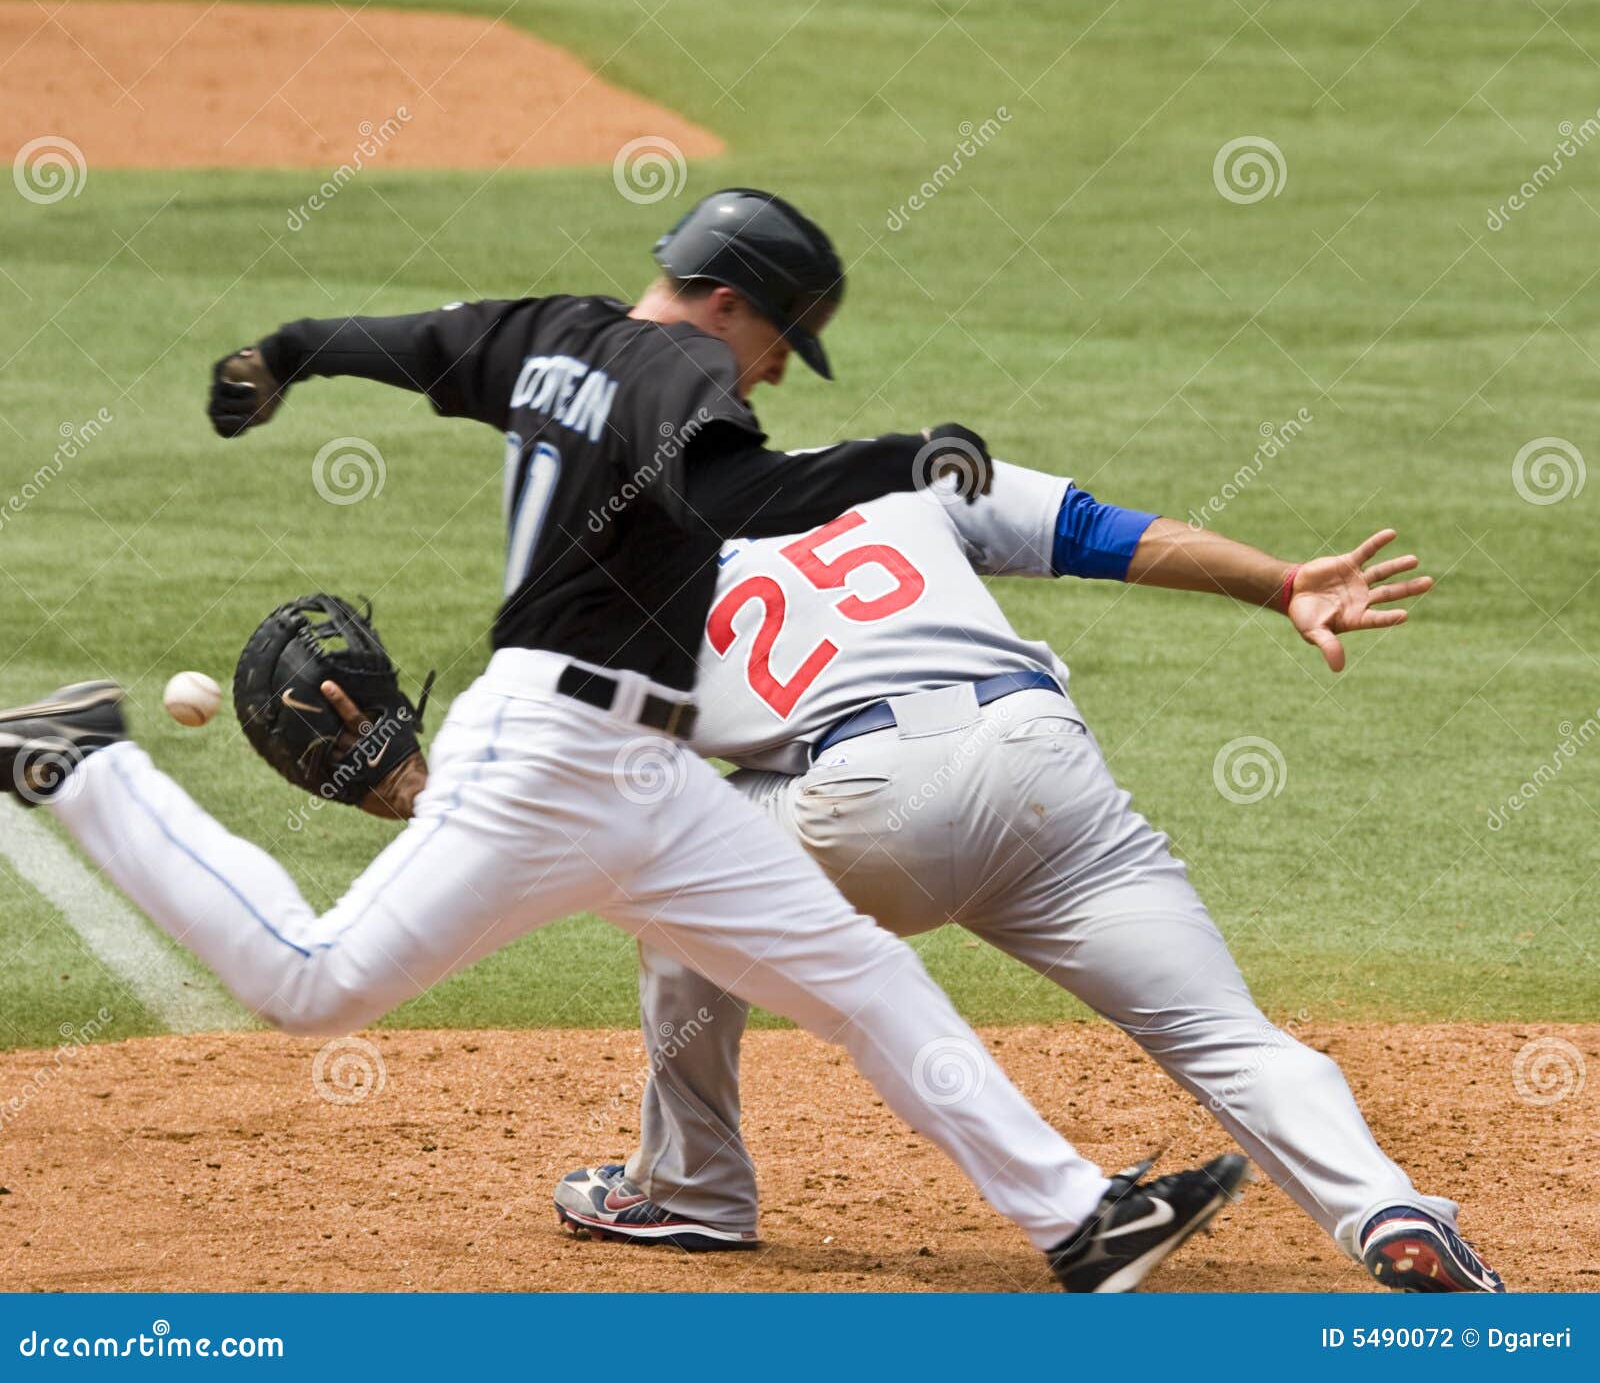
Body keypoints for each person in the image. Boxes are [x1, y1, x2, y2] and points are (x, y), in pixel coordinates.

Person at [0, 189, 1245, 1294]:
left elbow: (401, 344)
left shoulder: (543, 330)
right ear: (724, 303)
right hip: (549, 754)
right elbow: (725, 496)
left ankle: (1082, 1220)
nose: (765, 377)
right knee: (312, 985)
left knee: (865, 977)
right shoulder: (679, 370)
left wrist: (276, 357)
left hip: (646, 777)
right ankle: (86, 764)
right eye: (776, 345)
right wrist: (903, 461)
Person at [547, 459, 1505, 1295]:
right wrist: (1286, 581)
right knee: (1222, 1032)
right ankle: (1389, 1212)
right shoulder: (883, 475)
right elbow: (1092, 530)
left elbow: (611, 772)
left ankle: (691, 1187)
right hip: (1043, 765)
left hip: (859, 804)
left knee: (680, 874)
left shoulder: (639, 580)